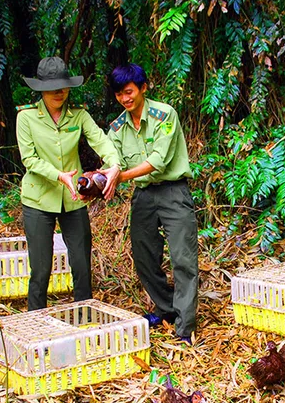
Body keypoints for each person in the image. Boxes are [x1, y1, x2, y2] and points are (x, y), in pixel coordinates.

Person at [17, 57, 121, 309]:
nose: (59, 92)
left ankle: (85, 317)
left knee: (82, 265)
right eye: (52, 88)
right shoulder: (26, 117)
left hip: (73, 200)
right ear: (41, 89)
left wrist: (115, 164)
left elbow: (100, 140)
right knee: (41, 269)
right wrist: (58, 175)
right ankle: (36, 322)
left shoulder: (79, 114)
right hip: (38, 199)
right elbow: (29, 159)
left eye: (63, 86)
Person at [107, 63, 198, 344]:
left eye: (129, 92)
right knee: (144, 256)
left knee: (183, 258)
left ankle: (185, 325)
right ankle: (166, 307)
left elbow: (158, 160)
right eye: (119, 94)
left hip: (173, 191)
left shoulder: (164, 114)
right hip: (144, 196)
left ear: (143, 88)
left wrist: (120, 177)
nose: (125, 99)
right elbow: (112, 161)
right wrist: (102, 178)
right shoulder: (117, 128)